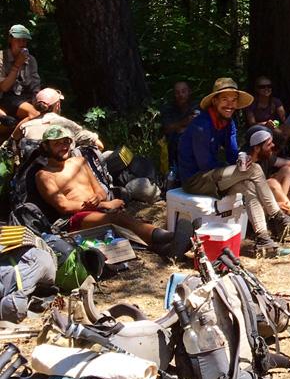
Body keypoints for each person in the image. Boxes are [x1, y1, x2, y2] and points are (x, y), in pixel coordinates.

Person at [178, 77, 290, 258]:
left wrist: (244, 160)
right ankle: (279, 217)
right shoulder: (201, 126)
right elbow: (205, 165)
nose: (230, 105)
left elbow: (233, 155)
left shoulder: (229, 123)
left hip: (213, 175)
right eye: (225, 99)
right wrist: (239, 170)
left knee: (248, 186)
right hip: (195, 179)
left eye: (233, 100)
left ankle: (263, 239)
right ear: (215, 101)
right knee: (253, 171)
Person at [34, 126, 182, 257]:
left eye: (66, 142)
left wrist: (100, 198)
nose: (63, 146)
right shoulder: (44, 175)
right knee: (118, 219)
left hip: (97, 211)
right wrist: (103, 205)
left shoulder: (80, 162)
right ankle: (169, 237)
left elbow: (101, 191)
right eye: (57, 143)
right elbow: (64, 206)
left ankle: (165, 249)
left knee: (127, 223)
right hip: (73, 219)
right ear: (46, 147)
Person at [13, 87, 103, 158]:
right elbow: (99, 145)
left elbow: (11, 144)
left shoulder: (25, 126)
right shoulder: (66, 124)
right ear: (57, 105)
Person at [0, 24, 41, 128]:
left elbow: (35, 86)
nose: (22, 43)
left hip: (26, 97)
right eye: (19, 40)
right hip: (7, 98)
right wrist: (17, 64)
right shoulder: (2, 58)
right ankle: (13, 137)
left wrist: (40, 101)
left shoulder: (31, 60)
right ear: (10, 40)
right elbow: (4, 87)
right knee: (35, 114)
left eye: (25, 41)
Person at [160, 81, 197, 168]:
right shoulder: (169, 108)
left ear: (189, 92)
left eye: (183, 91)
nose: (181, 95)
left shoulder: (196, 106)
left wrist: (183, 129)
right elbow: (166, 128)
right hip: (174, 147)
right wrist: (183, 123)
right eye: (177, 92)